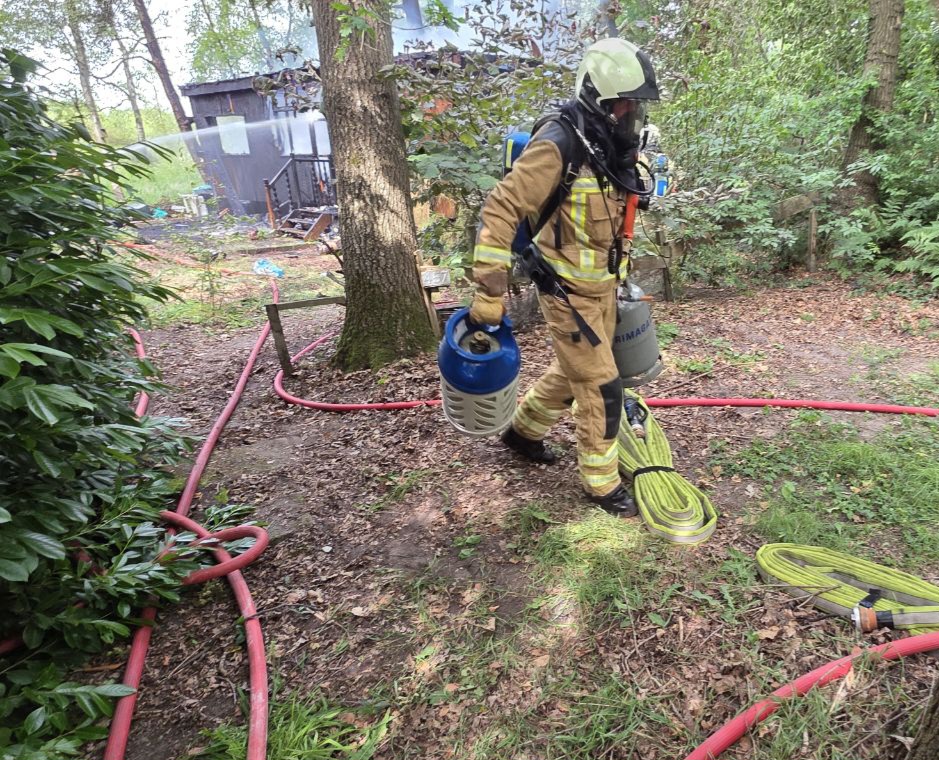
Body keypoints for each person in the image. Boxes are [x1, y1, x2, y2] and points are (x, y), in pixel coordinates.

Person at [468, 37, 660, 516]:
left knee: (573, 370)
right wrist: (490, 293)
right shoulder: (559, 143)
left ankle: (522, 431)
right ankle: (600, 484)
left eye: (635, 107)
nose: (630, 116)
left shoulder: (608, 147)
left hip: (603, 290)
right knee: (601, 386)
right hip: (566, 293)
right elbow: (501, 208)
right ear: (598, 97)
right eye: (624, 105)